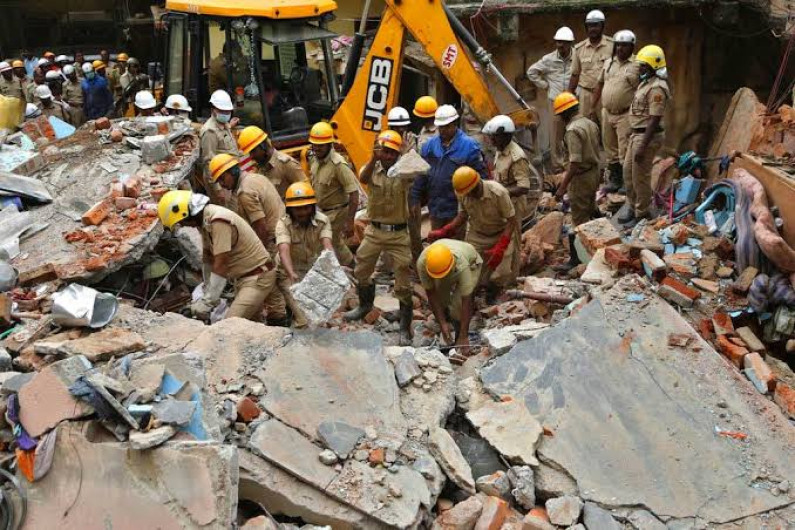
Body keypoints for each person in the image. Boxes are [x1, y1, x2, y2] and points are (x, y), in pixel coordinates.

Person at [157, 190, 277, 321]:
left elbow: (221, 264)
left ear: (186, 214)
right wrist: (207, 290)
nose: (186, 226)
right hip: (243, 278)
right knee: (251, 326)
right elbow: (208, 256)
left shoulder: (219, 220)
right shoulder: (205, 220)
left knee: (229, 326)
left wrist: (208, 302)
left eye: (183, 222)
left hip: (257, 277)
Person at [344, 131, 415, 344]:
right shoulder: (372, 169)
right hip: (375, 231)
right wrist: (373, 157)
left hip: (398, 233)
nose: (388, 156)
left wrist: (406, 155)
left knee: (402, 279)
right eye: (385, 152)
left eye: (392, 153)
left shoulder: (402, 170)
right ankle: (365, 305)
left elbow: (419, 172)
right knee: (362, 269)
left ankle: (405, 326)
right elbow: (363, 178)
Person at [209, 153, 289, 326]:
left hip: (271, 239)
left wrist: (258, 255)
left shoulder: (245, 193)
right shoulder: (255, 178)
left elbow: (261, 227)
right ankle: (279, 316)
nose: (222, 184)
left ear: (232, 172)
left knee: (270, 279)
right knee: (274, 281)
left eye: (222, 179)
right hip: (283, 232)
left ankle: (281, 321)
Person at [428, 167, 519, 300]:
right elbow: (463, 214)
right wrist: (445, 230)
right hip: (477, 234)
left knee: (501, 273)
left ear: (477, 185)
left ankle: (492, 294)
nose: (469, 195)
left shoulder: (498, 192)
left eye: (471, 192)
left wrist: (501, 246)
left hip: (501, 233)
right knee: (470, 270)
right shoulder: (462, 192)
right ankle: (471, 297)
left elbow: (512, 221)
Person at [411, 104, 487, 240]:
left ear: (455, 124)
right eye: (441, 127)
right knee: (438, 247)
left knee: (455, 247)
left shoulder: (469, 146)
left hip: (458, 209)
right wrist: (415, 198)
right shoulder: (429, 146)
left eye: (446, 127)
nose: (443, 130)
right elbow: (421, 174)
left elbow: (482, 177)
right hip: (436, 208)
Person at [617, 45, 671, 227]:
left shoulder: (657, 88)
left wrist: (642, 146)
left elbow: (654, 119)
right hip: (636, 135)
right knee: (628, 173)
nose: (640, 69)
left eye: (643, 66)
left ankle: (642, 214)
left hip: (647, 136)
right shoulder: (645, 83)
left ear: (653, 67)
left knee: (640, 176)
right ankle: (633, 207)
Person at [553, 91, 601, 271]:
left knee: (578, 220)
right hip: (594, 172)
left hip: (581, 177)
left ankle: (575, 260)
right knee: (589, 208)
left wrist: (562, 188)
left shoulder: (572, 130)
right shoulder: (589, 123)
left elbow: (574, 162)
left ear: (564, 113)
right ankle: (601, 242)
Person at [275, 182, 335, 328]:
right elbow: (284, 249)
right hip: (288, 273)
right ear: (290, 210)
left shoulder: (323, 220)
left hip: (311, 271)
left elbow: (328, 246)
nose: (302, 212)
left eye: (305, 207)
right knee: (305, 321)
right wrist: (291, 274)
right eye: (297, 209)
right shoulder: (283, 224)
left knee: (320, 317)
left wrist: (333, 268)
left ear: (312, 207)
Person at [308, 121, 359, 267]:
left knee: (329, 242)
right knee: (332, 243)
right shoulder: (314, 160)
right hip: (321, 211)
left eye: (321, 145)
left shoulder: (339, 165)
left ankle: (350, 268)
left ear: (329, 145)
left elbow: (354, 194)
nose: (317, 148)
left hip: (337, 212)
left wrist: (350, 222)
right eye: (314, 145)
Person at [594, 30, 639, 193]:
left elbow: (641, 90)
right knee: (610, 148)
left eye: (624, 45)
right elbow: (599, 84)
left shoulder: (637, 65)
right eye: (618, 45)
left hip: (625, 113)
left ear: (632, 47)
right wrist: (593, 106)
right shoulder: (608, 63)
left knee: (625, 149)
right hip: (606, 112)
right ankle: (615, 180)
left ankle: (628, 183)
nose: (620, 48)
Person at [417, 240, 482, 353]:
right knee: (441, 299)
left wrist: (463, 335)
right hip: (444, 266)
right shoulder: (423, 263)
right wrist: (442, 323)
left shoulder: (462, 264)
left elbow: (466, 300)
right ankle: (447, 323)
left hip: (472, 264)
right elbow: (431, 293)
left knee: (457, 306)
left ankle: (458, 331)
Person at [526, 27, 575, 172]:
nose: (560, 45)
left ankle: (572, 166)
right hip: (556, 102)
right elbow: (532, 72)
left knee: (573, 134)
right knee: (556, 137)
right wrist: (545, 85)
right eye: (558, 42)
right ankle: (558, 168)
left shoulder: (577, 57)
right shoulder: (549, 59)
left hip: (574, 103)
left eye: (564, 42)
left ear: (570, 43)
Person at [482, 115, 540, 225]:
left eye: (495, 136)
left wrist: (500, 192)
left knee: (513, 238)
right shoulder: (500, 149)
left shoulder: (517, 157)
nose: (492, 140)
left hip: (514, 204)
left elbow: (523, 187)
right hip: (504, 201)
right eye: (492, 136)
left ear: (506, 136)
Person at [568, 10, 613, 124]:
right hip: (585, 95)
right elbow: (575, 74)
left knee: (606, 128)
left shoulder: (613, 45)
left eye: (596, 25)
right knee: (586, 128)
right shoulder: (579, 49)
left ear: (602, 26)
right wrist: (569, 95)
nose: (592, 29)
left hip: (606, 93)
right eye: (589, 26)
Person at [237, 125, 306, 198]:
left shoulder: (286, 164)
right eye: (249, 153)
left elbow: (305, 192)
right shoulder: (259, 168)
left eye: (253, 151)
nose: (251, 156)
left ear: (263, 146)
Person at [199, 89, 241, 205]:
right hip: (221, 182)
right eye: (222, 111)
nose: (226, 114)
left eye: (228, 111)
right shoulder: (210, 132)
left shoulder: (223, 125)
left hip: (230, 178)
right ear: (213, 110)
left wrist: (230, 125)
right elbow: (208, 162)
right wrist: (218, 190)